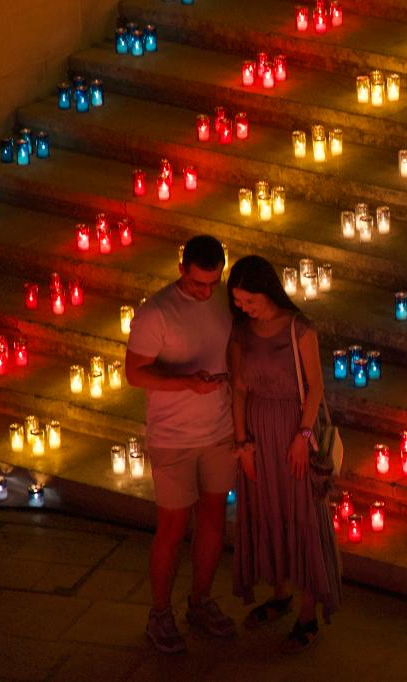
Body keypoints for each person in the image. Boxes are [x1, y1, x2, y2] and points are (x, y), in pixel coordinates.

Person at [125, 235, 237, 653]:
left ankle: (200, 601)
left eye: (213, 283)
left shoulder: (224, 300)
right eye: (197, 284)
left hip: (219, 431)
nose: (206, 292)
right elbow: (135, 373)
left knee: (212, 520)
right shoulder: (156, 314)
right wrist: (186, 383)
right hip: (173, 437)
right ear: (181, 271)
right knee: (172, 528)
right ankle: (160, 613)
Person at [227, 255, 342, 653]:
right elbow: (238, 390)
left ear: (268, 292)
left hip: (293, 428)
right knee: (267, 512)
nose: (244, 308)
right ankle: (279, 593)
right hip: (259, 429)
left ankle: (308, 609)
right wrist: (242, 444)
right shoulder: (241, 332)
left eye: (250, 301)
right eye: (239, 302)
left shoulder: (299, 328)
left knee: (301, 517)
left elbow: (315, 388)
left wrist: (301, 435)